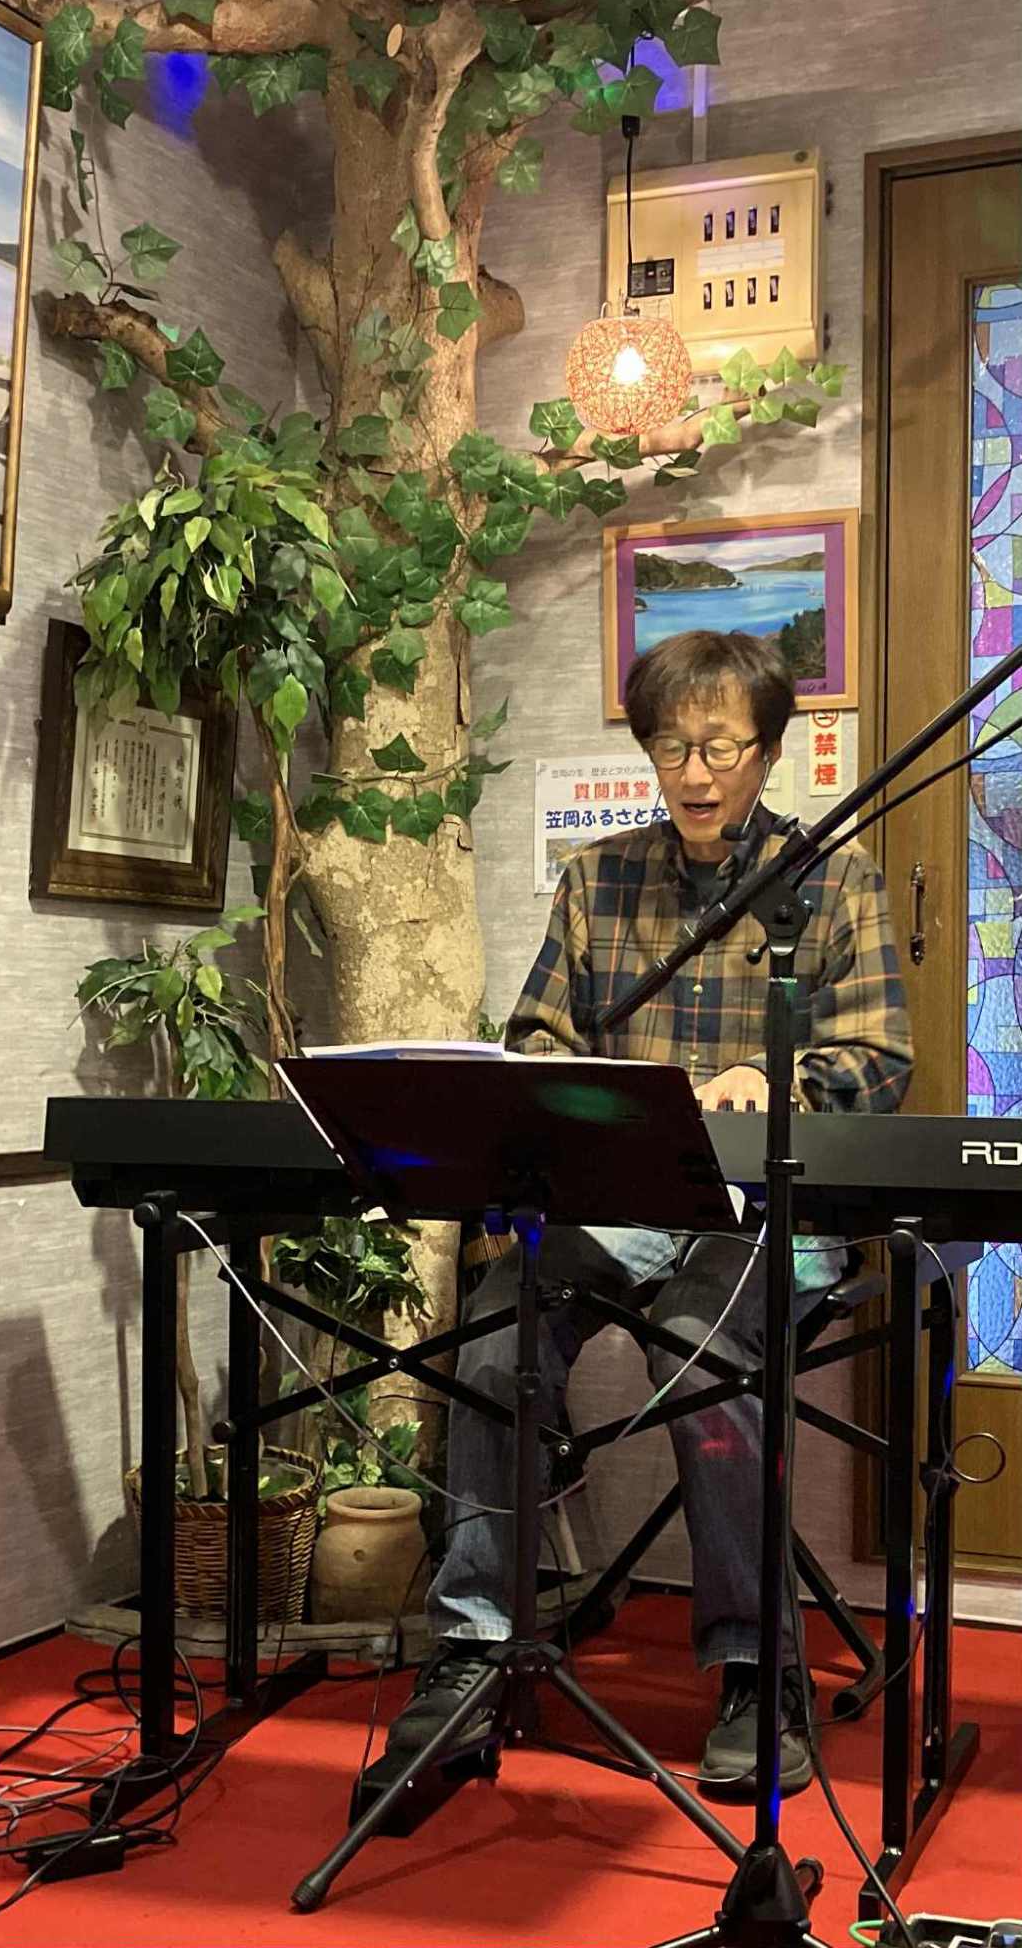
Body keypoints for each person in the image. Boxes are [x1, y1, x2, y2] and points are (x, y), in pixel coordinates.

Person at [382, 629, 913, 1795]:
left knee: (699, 1342)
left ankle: (754, 1664)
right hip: (624, 1197)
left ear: (768, 750)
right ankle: (473, 1642)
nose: (695, 771)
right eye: (672, 746)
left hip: (771, 1210)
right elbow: (536, 1038)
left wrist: (777, 1076)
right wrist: (573, 1099)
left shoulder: (835, 878)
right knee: (498, 1322)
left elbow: (881, 1059)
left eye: (720, 745)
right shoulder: (599, 879)